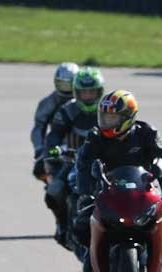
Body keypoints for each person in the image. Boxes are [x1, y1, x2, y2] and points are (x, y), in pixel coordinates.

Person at [71, 90, 162, 272]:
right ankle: (91, 253)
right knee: (81, 225)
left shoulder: (147, 133)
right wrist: (85, 194)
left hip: (143, 193)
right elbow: (82, 165)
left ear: (127, 117)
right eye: (104, 117)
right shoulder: (95, 137)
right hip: (107, 193)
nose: (106, 122)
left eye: (112, 118)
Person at [43, 66, 105, 248]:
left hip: (104, 161)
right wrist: (53, 148)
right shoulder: (66, 111)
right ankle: (62, 224)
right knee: (54, 191)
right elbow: (54, 134)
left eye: (92, 92)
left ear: (99, 92)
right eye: (84, 92)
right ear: (76, 92)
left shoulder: (108, 110)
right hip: (72, 161)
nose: (88, 96)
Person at [30, 62, 79, 178]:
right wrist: (40, 150)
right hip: (57, 149)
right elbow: (38, 127)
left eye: (68, 85)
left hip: (81, 148)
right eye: (62, 84)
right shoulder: (48, 102)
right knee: (41, 171)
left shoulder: (85, 103)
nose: (66, 90)